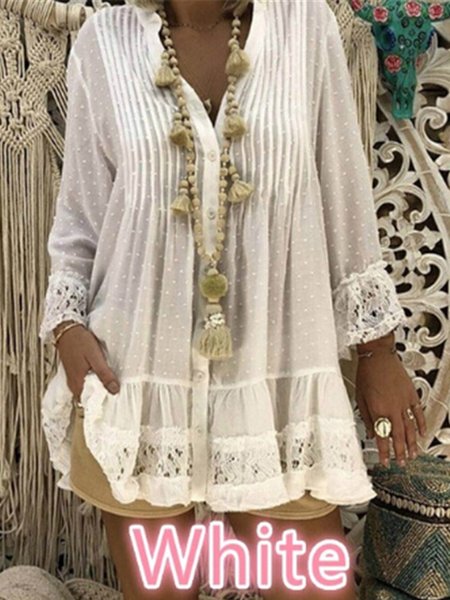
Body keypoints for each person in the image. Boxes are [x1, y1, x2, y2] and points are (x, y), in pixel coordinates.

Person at [38, 0, 426, 598]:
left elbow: (343, 193)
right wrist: (67, 326)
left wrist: (377, 350)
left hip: (278, 385)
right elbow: (80, 221)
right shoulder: (102, 44)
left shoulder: (305, 28)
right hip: (138, 387)